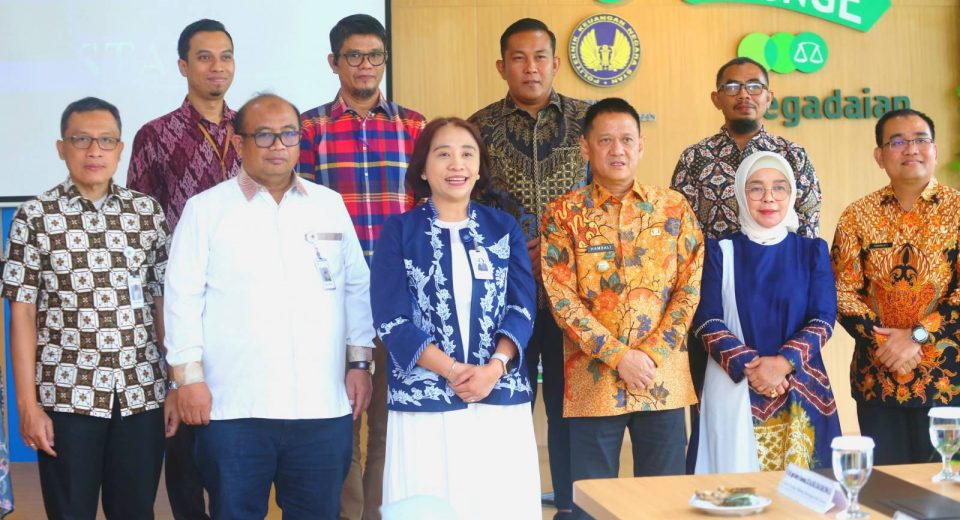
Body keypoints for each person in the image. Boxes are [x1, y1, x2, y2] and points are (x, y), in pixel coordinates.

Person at [163, 93, 375, 519]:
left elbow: (356, 286)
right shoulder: (206, 210)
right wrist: (187, 379)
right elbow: (181, 297)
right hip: (234, 408)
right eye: (264, 135)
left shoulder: (328, 205)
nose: (278, 145)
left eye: (288, 134)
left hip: (321, 405)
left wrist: (359, 364)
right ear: (238, 141)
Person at [2, 97, 171, 519]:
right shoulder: (35, 216)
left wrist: (175, 384)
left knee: (136, 511)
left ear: (120, 148)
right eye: (81, 140)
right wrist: (28, 405)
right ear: (62, 148)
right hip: (67, 395)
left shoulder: (146, 213)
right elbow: (22, 314)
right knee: (70, 512)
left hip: (140, 391)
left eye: (106, 140)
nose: (94, 151)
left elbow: (162, 301)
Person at [540, 98, 703, 520]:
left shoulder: (674, 208)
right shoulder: (563, 213)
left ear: (641, 146)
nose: (618, 150)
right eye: (606, 140)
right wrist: (619, 356)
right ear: (585, 148)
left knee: (665, 504)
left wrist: (648, 356)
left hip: (661, 378)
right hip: (592, 381)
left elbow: (688, 290)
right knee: (592, 504)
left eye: (627, 140)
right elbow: (561, 298)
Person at [370, 118, 539, 520]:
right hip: (425, 402)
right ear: (423, 169)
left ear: (479, 167)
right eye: (443, 154)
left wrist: (493, 369)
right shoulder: (399, 230)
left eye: (467, 154)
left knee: (498, 505)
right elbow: (391, 319)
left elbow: (522, 307)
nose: (456, 164)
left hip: (497, 395)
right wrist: (452, 370)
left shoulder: (503, 227)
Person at [299, 15, 425, 519]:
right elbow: (300, 216)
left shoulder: (414, 127)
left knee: (391, 424)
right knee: (340, 423)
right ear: (334, 62)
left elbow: (426, 213)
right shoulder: (309, 129)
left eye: (375, 55)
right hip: (333, 301)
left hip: (400, 300)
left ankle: (379, 512)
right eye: (354, 56)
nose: (365, 65)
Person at [468, 18, 590, 517]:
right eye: (518, 58)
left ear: (556, 63)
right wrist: (515, 253)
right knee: (504, 410)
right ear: (502, 66)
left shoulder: (588, 122)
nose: (531, 67)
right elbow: (465, 208)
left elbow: (607, 197)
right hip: (504, 298)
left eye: (540, 57)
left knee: (569, 414)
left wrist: (562, 251)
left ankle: (570, 509)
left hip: (576, 299)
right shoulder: (477, 129)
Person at [670, 58, 822, 457]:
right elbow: (679, 238)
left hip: (784, 312)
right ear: (716, 97)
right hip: (715, 310)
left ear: (769, 97)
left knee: (792, 429)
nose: (744, 95)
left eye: (754, 86)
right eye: (733, 87)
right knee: (715, 420)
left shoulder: (793, 156)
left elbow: (808, 231)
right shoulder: (694, 158)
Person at [127, 19, 239, 518]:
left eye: (225, 56)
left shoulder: (252, 132)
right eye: (204, 57)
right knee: (185, 436)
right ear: (182, 66)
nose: (217, 67)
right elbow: (142, 227)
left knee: (235, 432)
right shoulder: (155, 135)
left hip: (242, 299)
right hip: (180, 299)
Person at [689, 151, 841, 473]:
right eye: (756, 188)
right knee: (733, 491)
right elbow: (706, 320)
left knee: (802, 493)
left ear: (792, 194)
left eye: (779, 188)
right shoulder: (719, 251)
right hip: (734, 385)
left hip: (800, 385)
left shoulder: (811, 250)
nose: (768, 197)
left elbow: (824, 318)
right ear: (740, 194)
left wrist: (783, 363)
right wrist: (754, 369)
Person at [832, 108, 960, 465]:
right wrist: (887, 343)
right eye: (898, 142)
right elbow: (842, 291)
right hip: (878, 379)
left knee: (949, 487)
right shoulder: (857, 216)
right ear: (880, 156)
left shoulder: (957, 210)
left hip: (949, 383)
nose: (911, 149)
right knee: (887, 487)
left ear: (935, 150)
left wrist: (917, 336)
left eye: (921, 140)